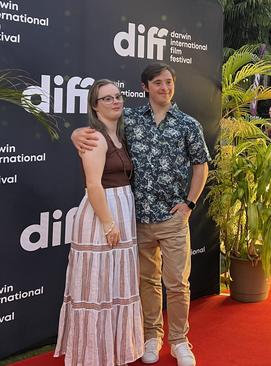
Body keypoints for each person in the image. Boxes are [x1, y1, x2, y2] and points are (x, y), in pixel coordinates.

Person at [72, 63, 210, 366]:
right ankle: (151, 336)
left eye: (169, 82)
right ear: (145, 86)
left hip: (174, 218)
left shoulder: (187, 124)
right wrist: (75, 135)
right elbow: (99, 127)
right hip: (139, 219)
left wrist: (189, 203)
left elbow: (201, 165)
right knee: (146, 282)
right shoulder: (130, 119)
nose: (165, 88)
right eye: (158, 83)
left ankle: (179, 341)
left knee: (177, 284)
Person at [55, 79, 144, 366]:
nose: (115, 101)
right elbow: (93, 185)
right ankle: (93, 355)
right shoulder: (93, 137)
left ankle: (113, 350)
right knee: (98, 285)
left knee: (115, 284)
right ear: (95, 105)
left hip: (122, 210)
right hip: (101, 214)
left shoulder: (121, 133)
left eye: (118, 96)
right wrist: (108, 223)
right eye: (107, 98)